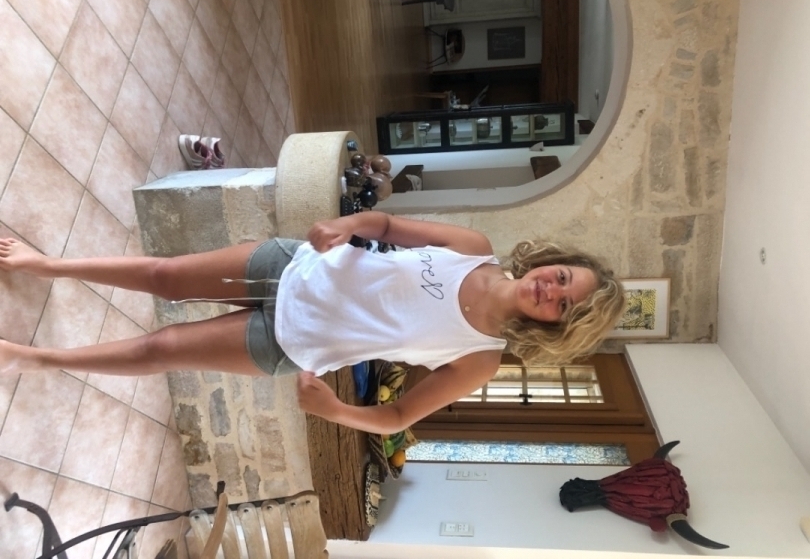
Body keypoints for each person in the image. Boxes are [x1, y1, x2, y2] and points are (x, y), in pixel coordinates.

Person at [0, 212, 625, 434]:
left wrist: (335, 411)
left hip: (293, 342)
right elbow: (386, 225)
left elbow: (397, 418)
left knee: (161, 348)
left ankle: (36, 359)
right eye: (562, 278)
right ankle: (45, 265)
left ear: (556, 327)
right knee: (165, 276)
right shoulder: (472, 246)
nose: (551, 291)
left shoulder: (480, 357)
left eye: (563, 306)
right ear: (553, 263)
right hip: (293, 267)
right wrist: (346, 226)